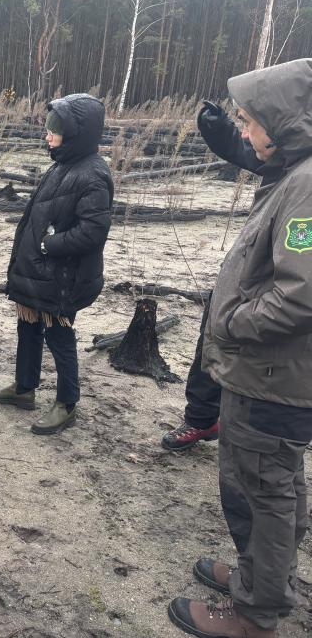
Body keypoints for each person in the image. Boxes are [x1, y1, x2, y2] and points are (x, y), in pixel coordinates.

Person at [168, 57, 312, 638]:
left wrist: (231, 322)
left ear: (284, 123)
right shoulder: (292, 175)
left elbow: (301, 294)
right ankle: (263, 574)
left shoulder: (305, 188)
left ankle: (257, 612)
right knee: (271, 484)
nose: (245, 134)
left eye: (250, 122)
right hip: (267, 373)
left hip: (272, 375)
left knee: (264, 488)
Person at [0, 94, 113, 434]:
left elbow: (94, 231)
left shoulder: (93, 174)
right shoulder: (62, 164)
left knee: (59, 335)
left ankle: (67, 403)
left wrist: (49, 244)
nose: (47, 133)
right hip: (39, 273)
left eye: (55, 127)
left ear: (76, 132)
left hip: (63, 278)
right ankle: (24, 388)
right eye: (48, 126)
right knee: (27, 327)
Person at [160, 101, 277, 451]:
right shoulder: (283, 157)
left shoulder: (303, 179)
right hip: (243, 278)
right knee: (211, 340)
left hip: (270, 294)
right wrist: (219, 130)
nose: (245, 132)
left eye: (249, 123)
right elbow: (249, 151)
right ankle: (201, 419)